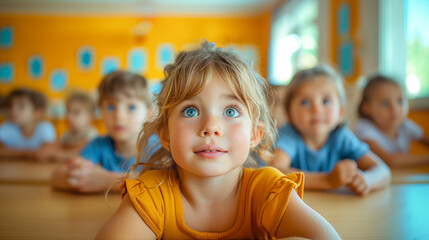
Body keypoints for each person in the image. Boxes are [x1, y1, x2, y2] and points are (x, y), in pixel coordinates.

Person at [96, 42, 340, 239]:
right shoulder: (153, 192)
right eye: (190, 111)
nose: (211, 128)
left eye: (230, 111)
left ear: (255, 134)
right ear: (165, 135)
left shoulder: (267, 191)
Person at [271, 65, 391, 196]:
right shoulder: (289, 135)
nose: (316, 110)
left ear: (340, 112)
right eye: (305, 102)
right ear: (289, 113)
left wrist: (368, 180)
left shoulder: (341, 136)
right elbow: (275, 172)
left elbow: (383, 170)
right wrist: (327, 180)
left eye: (326, 101)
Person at [51, 70, 156, 193]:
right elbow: (56, 176)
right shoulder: (99, 145)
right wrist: (81, 176)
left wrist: (106, 181)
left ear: (150, 114)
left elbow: (163, 182)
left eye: (131, 107)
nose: (119, 116)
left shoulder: (158, 147)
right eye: (111, 107)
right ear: (101, 111)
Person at [355, 74, 429, 167]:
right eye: (385, 103)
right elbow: (389, 160)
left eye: (400, 101)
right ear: (366, 108)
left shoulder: (405, 126)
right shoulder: (364, 128)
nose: (395, 109)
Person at [36, 90, 98, 162]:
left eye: (76, 113)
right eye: (68, 111)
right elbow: (54, 147)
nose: (69, 116)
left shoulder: (92, 136)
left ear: (90, 117)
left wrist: (57, 154)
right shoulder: (67, 134)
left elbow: (81, 154)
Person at [0, 88, 56, 159]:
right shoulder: (7, 127)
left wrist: (11, 152)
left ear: (37, 112)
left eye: (21, 106)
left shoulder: (45, 127)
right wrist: (28, 154)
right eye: (11, 106)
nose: (13, 110)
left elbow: (46, 152)